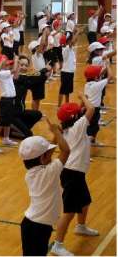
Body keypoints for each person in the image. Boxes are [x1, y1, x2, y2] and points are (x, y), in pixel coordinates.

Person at [51, 96, 98, 257]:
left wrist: (79, 105)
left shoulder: (68, 128)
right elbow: (91, 109)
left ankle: (81, 226)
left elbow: (79, 112)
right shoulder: (78, 126)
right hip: (73, 174)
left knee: (85, 201)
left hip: (74, 172)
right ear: (75, 117)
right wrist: (82, 96)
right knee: (69, 211)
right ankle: (57, 245)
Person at [19, 120, 70, 257]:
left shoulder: (32, 172)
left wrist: (55, 136)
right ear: (42, 157)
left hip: (32, 224)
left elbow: (46, 156)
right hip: (39, 228)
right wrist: (57, 132)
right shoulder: (49, 172)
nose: (50, 153)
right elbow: (66, 151)